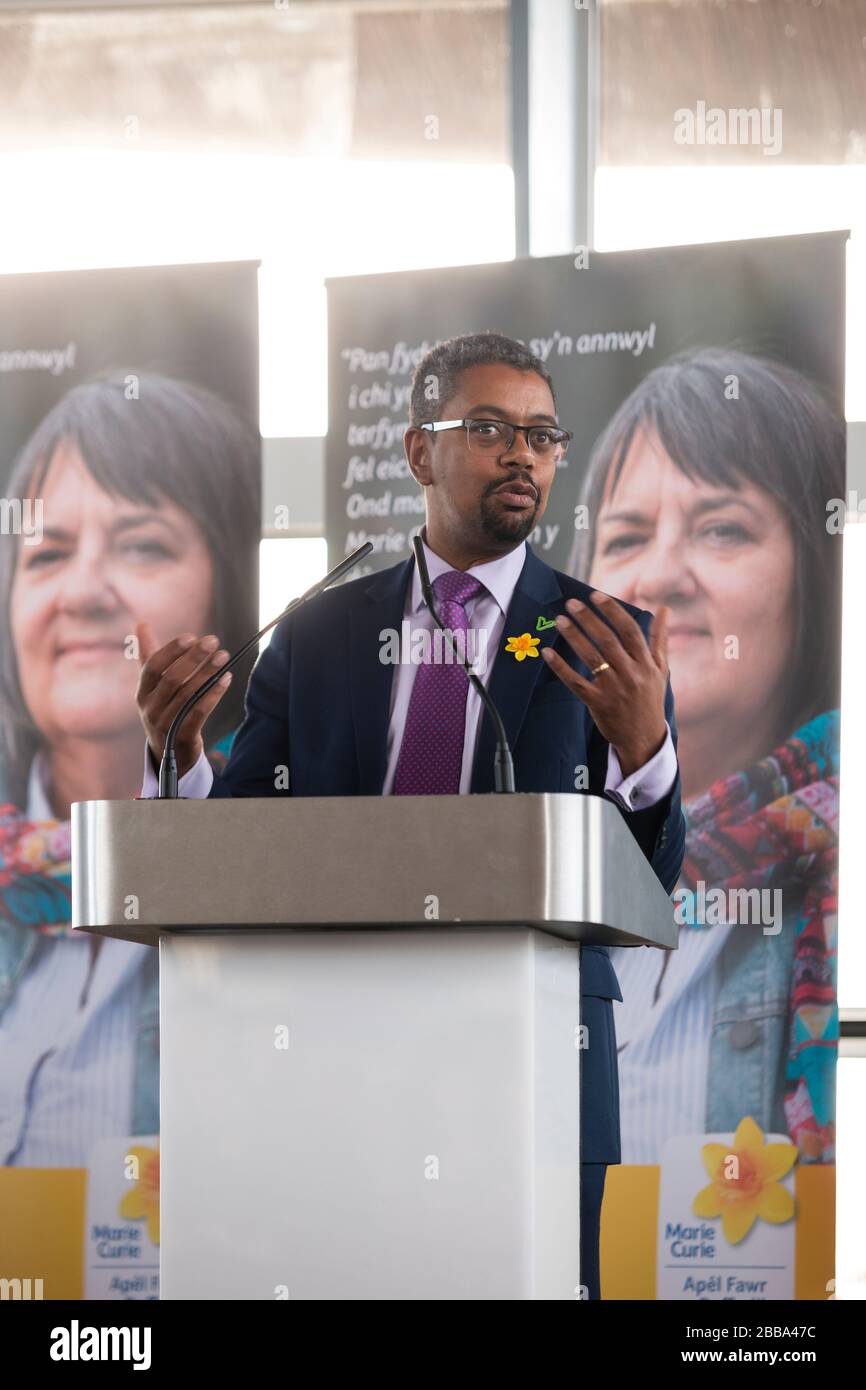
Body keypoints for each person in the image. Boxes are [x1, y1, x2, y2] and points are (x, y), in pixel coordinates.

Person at [136, 331, 685, 1300]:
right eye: (487, 428)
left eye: (541, 434)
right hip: (340, 1058)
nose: (522, 453)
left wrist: (644, 758)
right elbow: (233, 847)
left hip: (538, 1058)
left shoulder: (604, 638)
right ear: (417, 452)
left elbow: (652, 885)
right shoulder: (316, 636)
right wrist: (178, 758)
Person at [568, 347, 842, 1164]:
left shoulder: (841, 877)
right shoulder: (524, 858)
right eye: (624, 537)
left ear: (815, 579)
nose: (657, 575)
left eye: (722, 528)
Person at [0, 371, 260, 1167]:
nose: (81, 592)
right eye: (46, 553)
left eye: (142, 545)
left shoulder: (280, 872)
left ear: (229, 595)